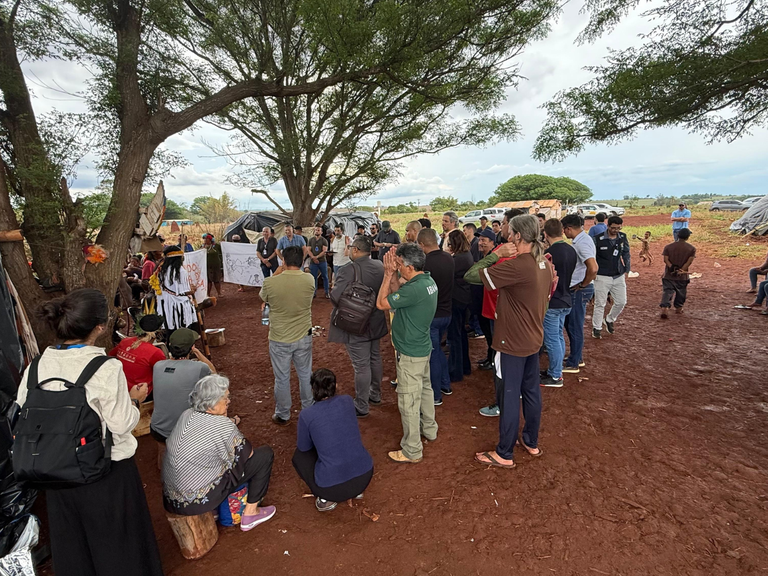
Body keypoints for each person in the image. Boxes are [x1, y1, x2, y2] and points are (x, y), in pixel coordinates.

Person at [17, 288, 161, 576]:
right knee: (118, 543)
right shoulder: (105, 367)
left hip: (55, 470)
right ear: (100, 326)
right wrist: (133, 400)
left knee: (73, 545)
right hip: (105, 472)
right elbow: (121, 424)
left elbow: (23, 409)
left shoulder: (37, 365)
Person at [471, 215, 554, 469]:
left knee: (508, 396)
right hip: (532, 339)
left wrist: (496, 254)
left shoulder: (517, 265)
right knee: (530, 392)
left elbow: (473, 274)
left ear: (518, 236)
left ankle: (504, 453)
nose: (506, 232)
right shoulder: (542, 264)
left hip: (512, 342)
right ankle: (531, 441)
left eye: (509, 230)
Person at [162, 375, 276, 531]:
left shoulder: (187, 414)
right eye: (225, 398)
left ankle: (214, 509)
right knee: (264, 455)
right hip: (199, 498)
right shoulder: (221, 425)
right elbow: (247, 455)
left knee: (212, 461)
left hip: (172, 498)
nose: (228, 401)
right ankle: (250, 514)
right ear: (211, 405)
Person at [376, 243, 438, 463]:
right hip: (421, 347)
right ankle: (430, 429)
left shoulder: (414, 288)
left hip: (410, 351)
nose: (398, 268)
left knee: (408, 400)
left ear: (409, 266)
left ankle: (412, 449)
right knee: (425, 389)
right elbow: (398, 293)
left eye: (400, 264)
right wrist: (394, 274)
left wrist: (387, 274)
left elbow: (382, 303)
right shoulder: (426, 281)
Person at [292, 369, 374, 511]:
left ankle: (325, 499)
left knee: (299, 457)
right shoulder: (348, 401)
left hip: (331, 489)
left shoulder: (307, 415)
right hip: (364, 477)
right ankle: (356, 492)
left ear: (313, 389)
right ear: (336, 386)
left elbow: (303, 448)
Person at [329, 236, 388, 417]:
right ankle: (375, 394)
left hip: (355, 323)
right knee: (375, 358)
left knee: (361, 365)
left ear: (355, 249)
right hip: (376, 320)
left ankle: (362, 405)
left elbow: (336, 297)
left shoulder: (348, 269)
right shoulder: (380, 266)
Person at [260, 246, 316, 425]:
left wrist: (277, 272)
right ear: (301, 262)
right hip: (303, 335)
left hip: (279, 337)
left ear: (283, 261)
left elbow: (263, 298)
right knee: (305, 374)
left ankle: (283, 413)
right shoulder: (309, 279)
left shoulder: (270, 282)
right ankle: (309, 409)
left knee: (282, 378)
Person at [150, 327, 216, 442]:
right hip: (185, 434)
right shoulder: (199, 367)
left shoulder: (158, 366)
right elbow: (215, 374)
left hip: (157, 431)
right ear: (191, 347)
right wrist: (197, 352)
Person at [418, 228, 454, 405]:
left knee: (432, 355)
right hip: (447, 312)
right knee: (438, 351)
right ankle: (445, 385)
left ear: (422, 244)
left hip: (432, 315)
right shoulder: (449, 257)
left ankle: (435, 395)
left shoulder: (425, 264)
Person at [541, 219, 577, 387]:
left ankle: (555, 375)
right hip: (567, 297)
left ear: (545, 234)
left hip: (553, 301)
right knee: (558, 337)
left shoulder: (549, 253)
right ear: (562, 231)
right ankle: (556, 370)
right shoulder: (571, 250)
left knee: (552, 338)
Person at [561, 214, 598, 373]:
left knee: (574, 326)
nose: (564, 233)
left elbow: (593, 268)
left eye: (564, 230)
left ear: (568, 228)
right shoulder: (583, 239)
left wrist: (583, 284)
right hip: (578, 288)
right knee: (571, 324)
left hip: (579, 290)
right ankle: (577, 357)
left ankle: (574, 363)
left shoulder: (582, 243)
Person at [108, 314, 166, 396]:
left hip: (119, 388)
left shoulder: (125, 341)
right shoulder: (155, 352)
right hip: (140, 394)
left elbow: (111, 355)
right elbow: (165, 374)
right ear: (159, 332)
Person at [592, 216, 631, 339]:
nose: (616, 230)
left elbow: (626, 252)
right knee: (600, 303)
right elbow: (592, 256)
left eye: (618, 228)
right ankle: (596, 328)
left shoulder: (623, 237)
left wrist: (627, 268)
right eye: (613, 228)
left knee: (621, 302)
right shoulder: (598, 239)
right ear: (608, 226)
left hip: (618, 274)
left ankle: (609, 319)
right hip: (602, 275)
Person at [446, 229, 474, 383]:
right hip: (464, 299)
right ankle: (464, 366)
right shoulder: (466, 255)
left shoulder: (457, 259)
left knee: (455, 336)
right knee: (461, 334)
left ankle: (456, 371)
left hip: (456, 300)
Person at [155, 245, 198, 331]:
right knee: (182, 328)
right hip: (178, 305)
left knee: (171, 328)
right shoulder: (180, 271)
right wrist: (193, 289)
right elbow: (185, 291)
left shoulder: (162, 270)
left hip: (166, 304)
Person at [660, 228, 696, 318]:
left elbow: (666, 260)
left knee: (667, 291)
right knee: (681, 292)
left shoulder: (668, 247)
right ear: (687, 237)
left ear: (678, 236)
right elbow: (689, 261)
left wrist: (671, 268)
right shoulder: (691, 248)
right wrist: (682, 270)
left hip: (669, 274)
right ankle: (679, 308)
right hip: (682, 276)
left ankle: (665, 307)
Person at [306, 225, 330, 298]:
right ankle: (314, 292)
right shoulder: (310, 240)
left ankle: (326, 292)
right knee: (314, 277)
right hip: (313, 262)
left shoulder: (324, 240)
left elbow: (324, 251)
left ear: (321, 232)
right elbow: (308, 250)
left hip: (322, 261)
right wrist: (313, 258)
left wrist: (316, 257)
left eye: (318, 230)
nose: (317, 231)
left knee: (325, 276)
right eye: (316, 230)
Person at [203, 233, 223, 298]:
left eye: (207, 239)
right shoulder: (202, 247)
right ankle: (208, 294)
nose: (205, 240)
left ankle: (219, 293)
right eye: (205, 239)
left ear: (210, 240)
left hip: (216, 265)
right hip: (207, 266)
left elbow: (222, 252)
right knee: (208, 281)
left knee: (216, 280)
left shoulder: (216, 246)